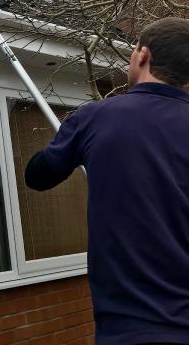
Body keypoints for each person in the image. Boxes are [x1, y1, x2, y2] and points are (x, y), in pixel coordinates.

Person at [25, 17, 189, 345]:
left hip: (130, 329)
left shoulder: (96, 117)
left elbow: (37, 176)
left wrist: (75, 145)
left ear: (141, 56)